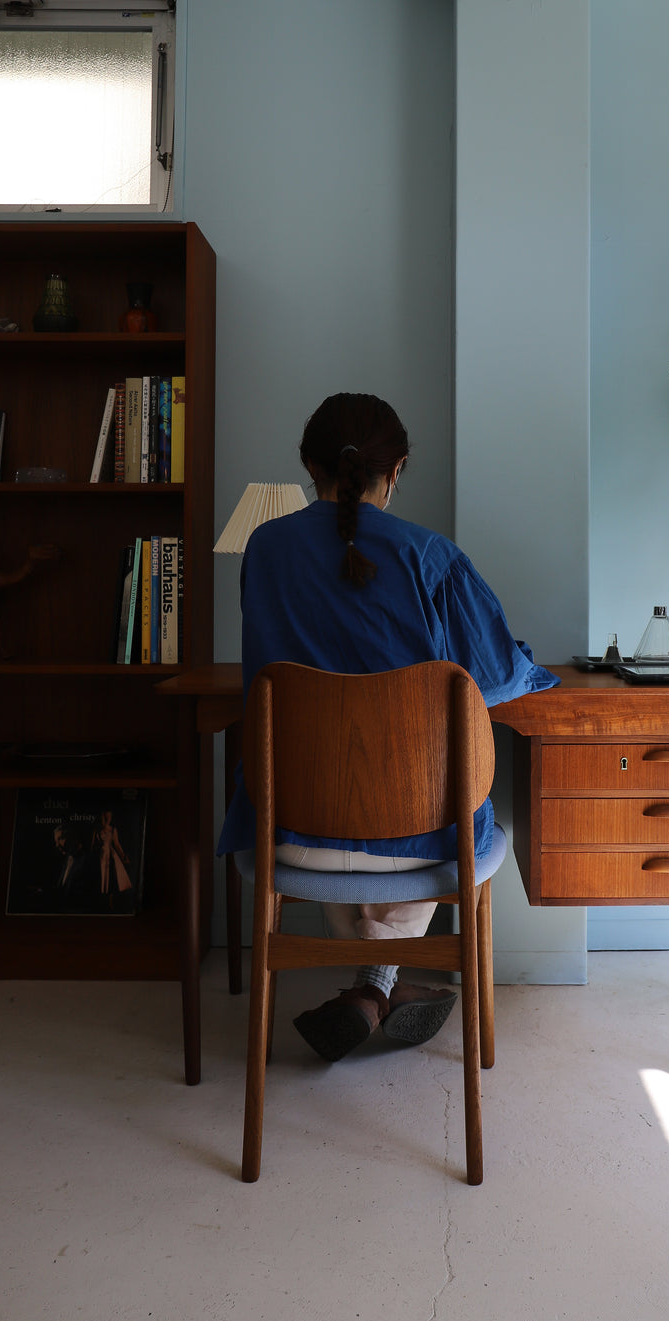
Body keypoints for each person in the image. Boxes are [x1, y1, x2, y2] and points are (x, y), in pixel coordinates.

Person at [217, 392, 558, 1062]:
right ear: (396, 468)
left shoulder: (264, 548)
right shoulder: (430, 556)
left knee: (361, 796)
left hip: (290, 832)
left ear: (306, 464)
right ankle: (378, 988)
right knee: (435, 797)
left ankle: (372, 991)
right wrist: (531, 670)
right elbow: (491, 678)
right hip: (418, 837)